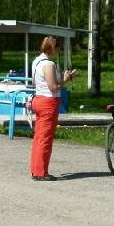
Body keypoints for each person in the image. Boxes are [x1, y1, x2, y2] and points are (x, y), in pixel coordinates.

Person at [29, 36, 77, 181]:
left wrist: (64, 77)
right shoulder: (49, 64)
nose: (58, 52)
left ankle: (35, 169)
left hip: (38, 99)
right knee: (45, 139)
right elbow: (54, 87)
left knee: (38, 137)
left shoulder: (37, 61)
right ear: (53, 49)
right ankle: (41, 173)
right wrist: (66, 79)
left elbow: (35, 82)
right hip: (48, 102)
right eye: (58, 49)